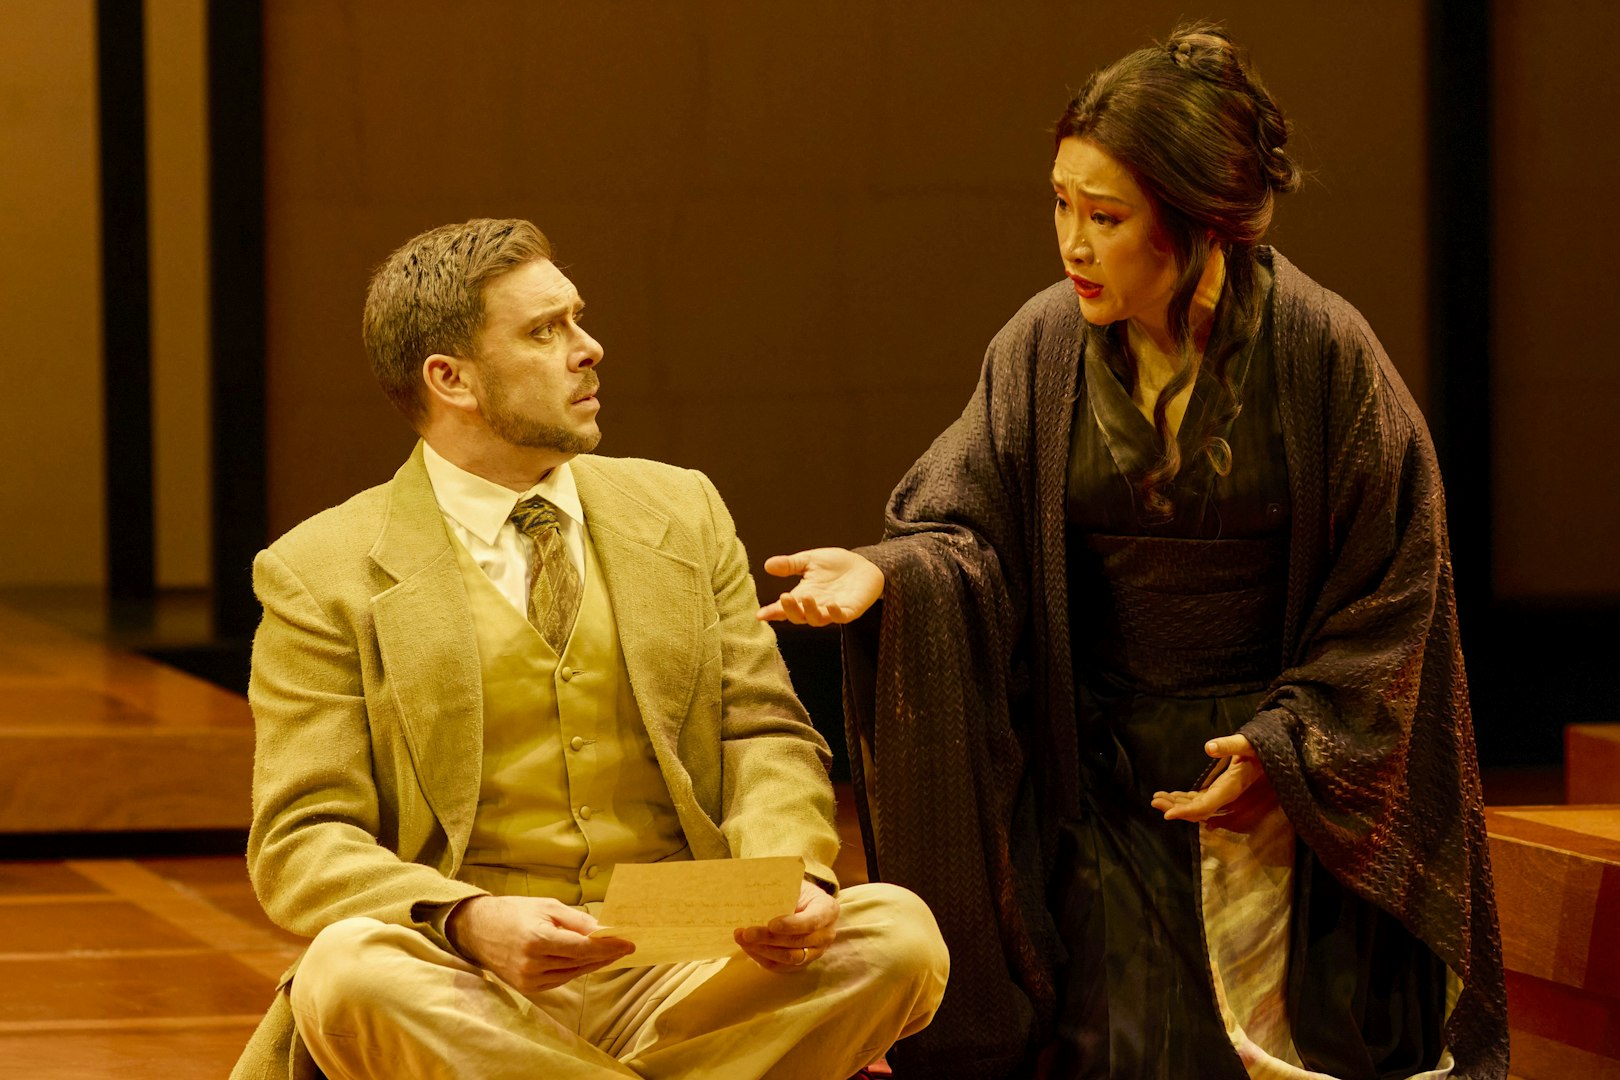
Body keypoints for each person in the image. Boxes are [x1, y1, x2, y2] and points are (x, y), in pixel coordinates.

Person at [760, 25, 1507, 1080]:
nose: (1072, 243)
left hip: (1276, 777)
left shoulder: (1322, 353)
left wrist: (1287, 749)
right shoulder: (1042, 346)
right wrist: (891, 569)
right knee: (1114, 1048)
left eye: (1104, 217)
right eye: (1060, 205)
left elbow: (1394, 590)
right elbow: (965, 526)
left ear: (1201, 221)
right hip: (1100, 780)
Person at [230, 217, 947, 1080]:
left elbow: (761, 732)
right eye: (544, 331)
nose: (589, 348)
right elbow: (302, 838)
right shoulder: (320, 569)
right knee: (350, 971)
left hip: (694, 961)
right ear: (450, 378)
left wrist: (787, 878)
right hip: (470, 974)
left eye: (577, 318)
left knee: (897, 933)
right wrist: (467, 920)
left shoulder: (681, 510)